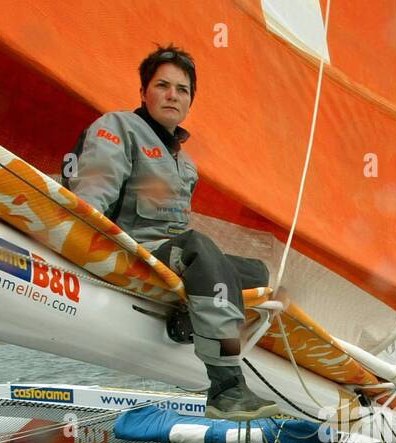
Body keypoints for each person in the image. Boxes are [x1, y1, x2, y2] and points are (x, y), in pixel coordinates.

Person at [67, 45, 279, 421]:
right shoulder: (117, 128)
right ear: (144, 93)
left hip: (171, 256)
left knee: (255, 273)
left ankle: (190, 316)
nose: (172, 95)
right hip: (130, 251)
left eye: (182, 90)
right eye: (162, 85)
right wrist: (81, 246)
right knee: (198, 247)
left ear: (190, 101)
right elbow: (91, 200)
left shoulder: (186, 163)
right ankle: (226, 385)